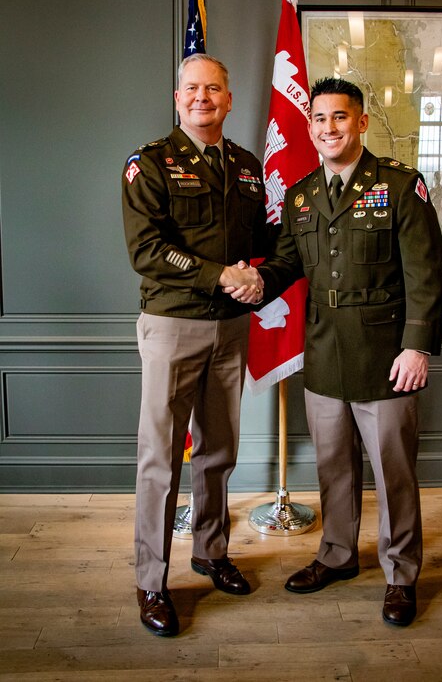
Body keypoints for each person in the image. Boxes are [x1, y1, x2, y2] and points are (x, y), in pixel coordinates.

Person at [229, 77, 442, 627]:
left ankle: (401, 575)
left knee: (393, 473)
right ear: (310, 128)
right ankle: (338, 556)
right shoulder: (302, 195)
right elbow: (286, 264)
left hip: (386, 357)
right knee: (334, 468)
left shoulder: (400, 186)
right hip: (324, 353)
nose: (329, 128)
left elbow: (427, 274)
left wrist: (417, 347)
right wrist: (254, 282)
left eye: (340, 118)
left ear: (362, 122)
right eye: (320, 120)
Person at [122, 53, 270, 637]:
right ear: (177, 98)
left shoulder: (247, 165)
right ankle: (151, 580)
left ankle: (210, 551)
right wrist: (220, 275)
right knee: (161, 459)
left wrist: (262, 276)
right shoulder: (149, 163)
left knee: (218, 451)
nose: (202, 97)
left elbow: (261, 237)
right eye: (192, 89)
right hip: (173, 324)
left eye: (214, 88)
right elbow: (147, 251)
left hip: (231, 328)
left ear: (229, 99)